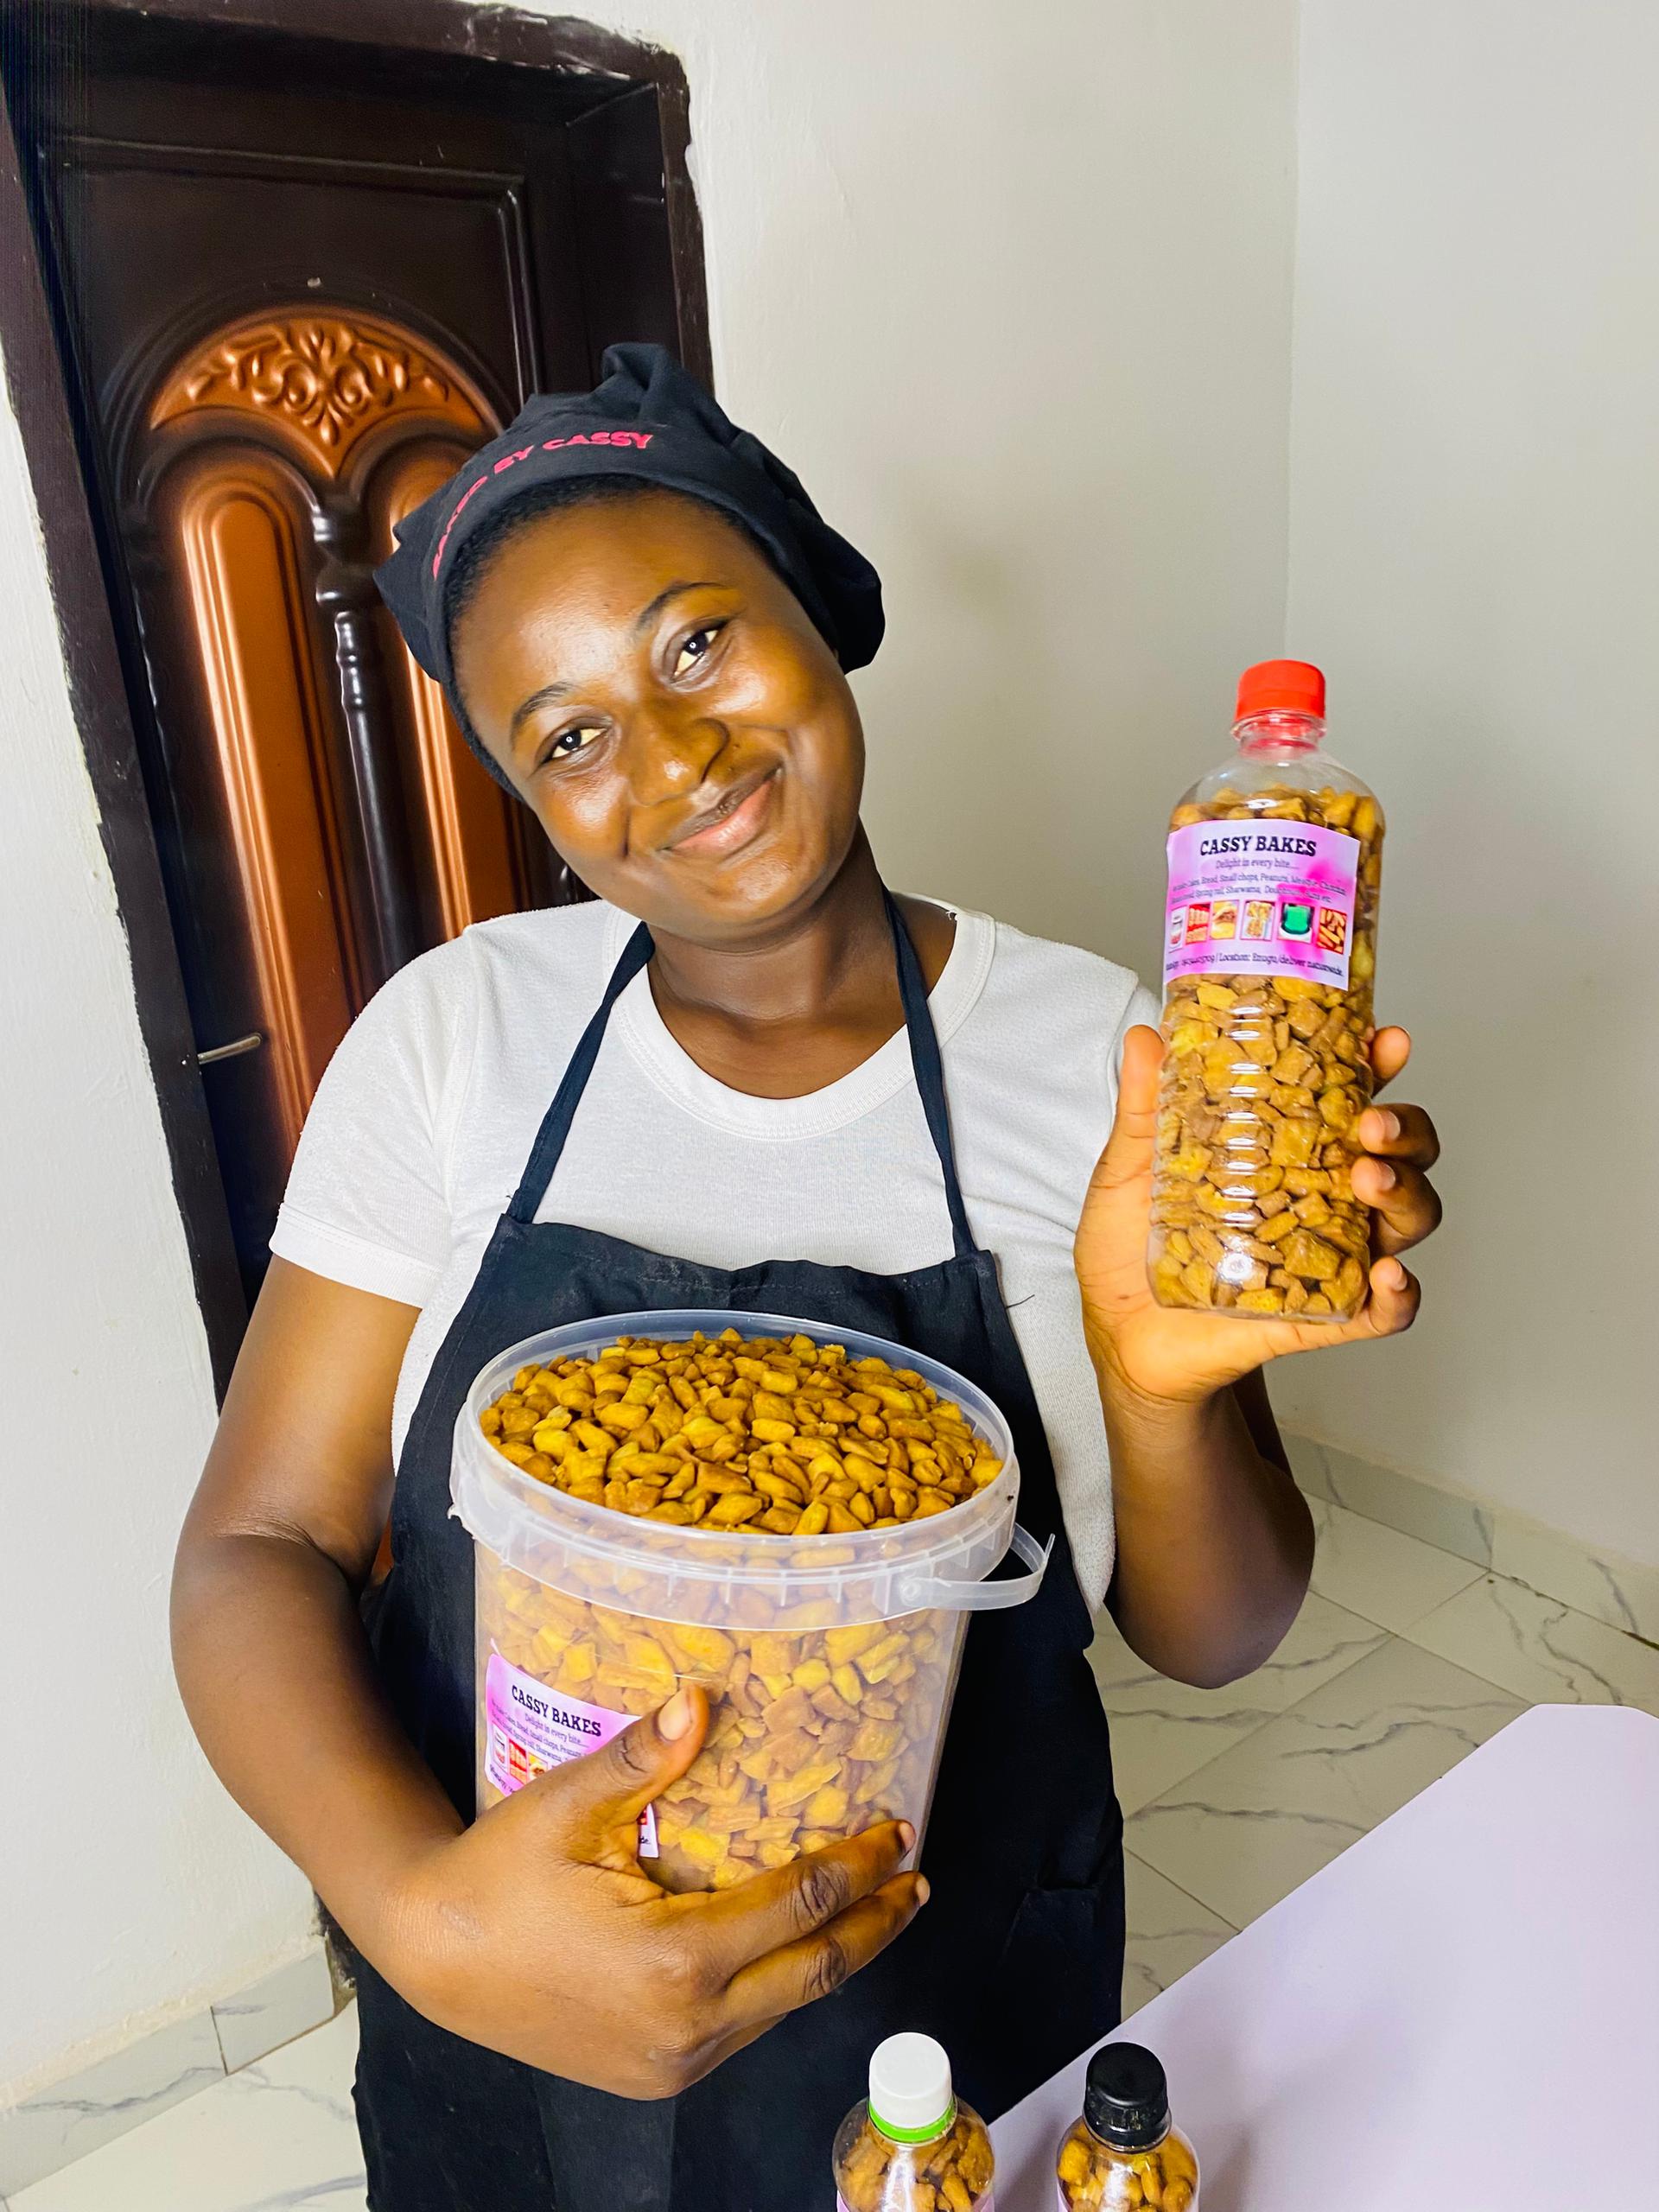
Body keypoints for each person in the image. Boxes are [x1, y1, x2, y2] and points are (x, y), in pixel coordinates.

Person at [171, 346, 1443, 2210]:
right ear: (533, 794)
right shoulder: (456, 1040)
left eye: (697, 643)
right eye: (570, 734)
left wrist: (1167, 1383)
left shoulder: (1103, 1050)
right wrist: (425, 1921)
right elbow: (256, 1543)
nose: (669, 757)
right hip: (507, 1992)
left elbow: (1216, 1626)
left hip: (930, 2015)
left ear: (818, 612)